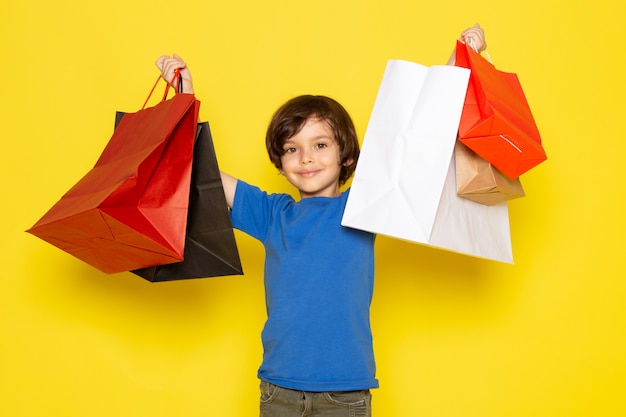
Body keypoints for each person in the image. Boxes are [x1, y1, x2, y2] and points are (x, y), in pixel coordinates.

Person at [156, 24, 486, 417]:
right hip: (277, 390)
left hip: (344, 395)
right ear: (280, 164)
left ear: (347, 155)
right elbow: (199, 169)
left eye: (320, 144)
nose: (306, 157)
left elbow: (418, 143)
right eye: (292, 149)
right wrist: (184, 97)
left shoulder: (364, 206)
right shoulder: (272, 213)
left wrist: (460, 63)